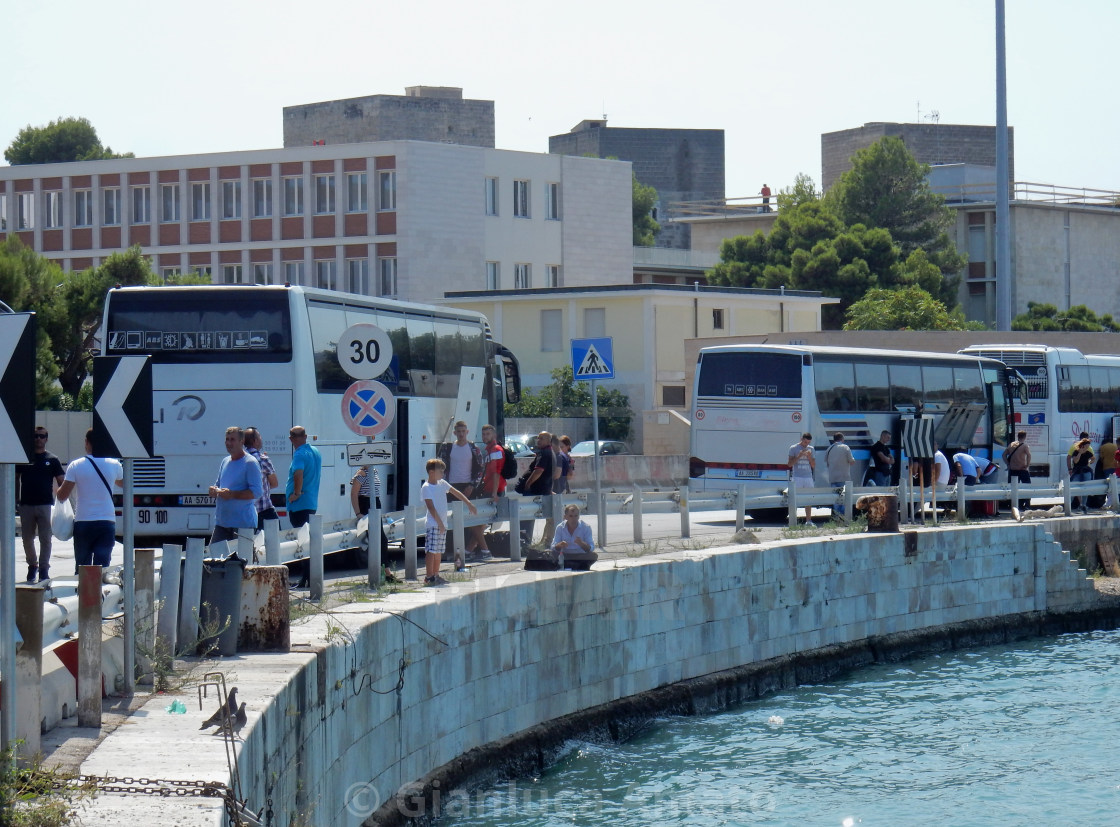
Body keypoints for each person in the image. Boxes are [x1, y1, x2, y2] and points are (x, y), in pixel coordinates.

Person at [56, 428, 123, 570]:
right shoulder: (114, 464)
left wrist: (58, 489)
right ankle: (99, 591)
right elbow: (125, 484)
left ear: (87, 442)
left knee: (82, 566)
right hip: (107, 521)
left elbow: (62, 495)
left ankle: (83, 591)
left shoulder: (76, 465)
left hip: (83, 522)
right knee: (102, 566)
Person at [16, 425, 65, 582]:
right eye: (36, 436)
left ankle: (44, 568)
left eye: (42, 436)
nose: (38, 439)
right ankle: (32, 565)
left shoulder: (52, 459)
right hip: (26, 505)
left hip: (45, 505)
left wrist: (62, 500)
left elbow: (62, 481)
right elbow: (14, 478)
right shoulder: (25, 458)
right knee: (27, 538)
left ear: (46, 439)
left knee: (45, 539)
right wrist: (15, 500)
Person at [420, 458, 477, 586]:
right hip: (433, 523)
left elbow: (455, 492)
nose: (442, 473)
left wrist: (468, 503)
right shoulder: (426, 487)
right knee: (431, 550)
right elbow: (430, 507)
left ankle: (435, 574)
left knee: (439, 551)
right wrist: (439, 522)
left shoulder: (442, 483)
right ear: (431, 472)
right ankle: (428, 576)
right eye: (440, 471)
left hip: (442, 524)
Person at [437, 420, 488, 560]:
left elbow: (480, 468)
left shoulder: (473, 448)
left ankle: (469, 550)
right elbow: (440, 467)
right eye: (458, 432)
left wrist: (472, 485)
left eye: (463, 431)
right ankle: (450, 550)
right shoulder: (448, 448)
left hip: (468, 487)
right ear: (454, 433)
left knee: (469, 519)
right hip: (451, 486)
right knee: (450, 519)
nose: (461, 434)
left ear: (467, 432)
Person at [208, 426, 262, 545]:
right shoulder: (225, 461)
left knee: (240, 562)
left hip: (242, 525)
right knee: (214, 559)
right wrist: (214, 490)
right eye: (227, 439)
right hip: (222, 523)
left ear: (241, 441)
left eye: (232, 439)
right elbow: (218, 484)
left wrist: (232, 494)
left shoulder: (250, 462)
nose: (228, 443)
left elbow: (257, 492)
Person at [520, 431, 555, 547]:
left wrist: (528, 484)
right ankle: (543, 542)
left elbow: (538, 471)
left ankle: (525, 543)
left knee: (527, 516)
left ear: (549, 441)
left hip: (536, 491)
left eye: (542, 438)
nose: (538, 440)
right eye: (538, 438)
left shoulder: (544, 453)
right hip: (544, 489)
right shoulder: (548, 452)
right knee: (547, 518)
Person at [243, 427, 278, 532]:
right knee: (275, 542)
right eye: (259, 437)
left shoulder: (239, 460)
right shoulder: (263, 460)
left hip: (246, 511)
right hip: (264, 509)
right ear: (255, 441)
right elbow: (275, 483)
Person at [350, 465, 389, 559]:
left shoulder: (375, 471)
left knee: (381, 538)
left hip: (375, 502)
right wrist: (358, 513)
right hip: (366, 503)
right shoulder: (361, 473)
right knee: (376, 537)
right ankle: (384, 567)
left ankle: (383, 566)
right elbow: (354, 493)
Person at [286, 425, 322, 528]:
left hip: (300, 504)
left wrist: (296, 494)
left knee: (301, 538)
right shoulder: (315, 451)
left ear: (290, 439)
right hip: (311, 502)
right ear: (305, 436)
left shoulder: (299, 454)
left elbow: (298, 473)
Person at [787, 433, 815, 523]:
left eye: (808, 442)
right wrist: (798, 456)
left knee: (808, 498)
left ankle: (808, 520)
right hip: (797, 476)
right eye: (805, 442)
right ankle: (793, 520)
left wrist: (809, 457)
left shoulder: (811, 449)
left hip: (808, 476)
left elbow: (813, 465)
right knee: (794, 498)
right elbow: (789, 464)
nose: (806, 444)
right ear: (801, 439)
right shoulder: (793, 448)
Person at [825, 432, 855, 516]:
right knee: (844, 498)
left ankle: (837, 516)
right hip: (844, 477)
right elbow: (851, 461)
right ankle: (843, 517)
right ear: (842, 439)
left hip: (833, 478)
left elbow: (827, 463)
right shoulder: (845, 447)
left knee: (836, 499)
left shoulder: (829, 448)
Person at [1003, 431, 1032, 511]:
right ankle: (1026, 504)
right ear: (1025, 437)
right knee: (1027, 487)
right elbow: (1029, 455)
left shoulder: (1011, 445)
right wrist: (1027, 465)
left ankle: (1014, 504)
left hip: (1012, 470)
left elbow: (1004, 455)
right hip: (1022, 469)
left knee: (1013, 488)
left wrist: (1008, 464)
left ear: (1018, 436)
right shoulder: (1025, 446)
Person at [1068, 433, 1095, 513]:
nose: (1088, 448)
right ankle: (1068, 505)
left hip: (1086, 470)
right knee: (1073, 487)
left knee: (1085, 488)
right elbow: (1075, 460)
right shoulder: (1076, 451)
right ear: (1082, 445)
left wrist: (1090, 461)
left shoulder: (1088, 452)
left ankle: (1083, 505)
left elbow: (1093, 458)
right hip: (1077, 471)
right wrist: (1080, 452)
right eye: (1086, 446)